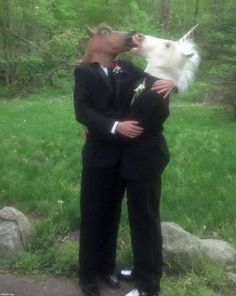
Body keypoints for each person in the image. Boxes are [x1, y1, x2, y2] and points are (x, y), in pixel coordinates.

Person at [73, 24, 175, 296]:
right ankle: (87, 275)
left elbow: (154, 80)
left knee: (113, 214)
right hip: (99, 155)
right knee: (94, 214)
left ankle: (106, 268)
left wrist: (174, 83)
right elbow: (82, 111)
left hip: (126, 158)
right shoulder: (83, 72)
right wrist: (114, 126)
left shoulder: (126, 67)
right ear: (95, 39)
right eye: (107, 33)